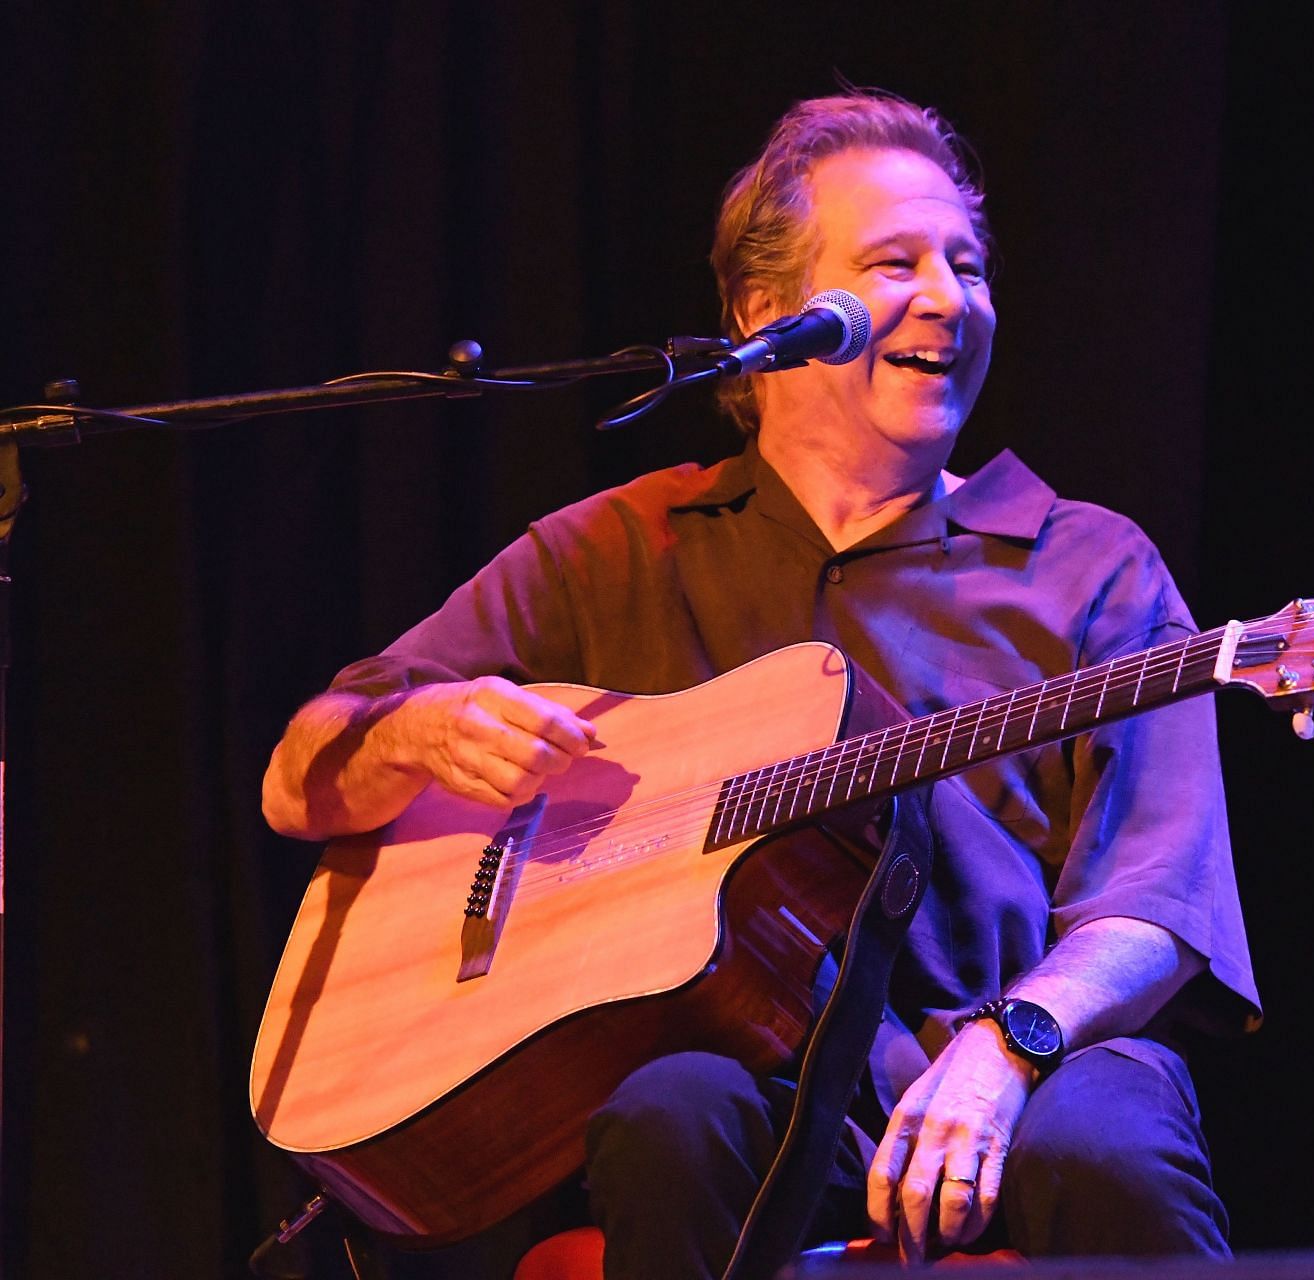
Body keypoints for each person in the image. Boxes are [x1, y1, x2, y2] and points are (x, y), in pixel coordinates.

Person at [262, 89, 1260, 1279]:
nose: (950, 298)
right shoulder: (622, 547)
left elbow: (1159, 895)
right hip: (766, 1081)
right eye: (897, 262)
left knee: (1113, 1151)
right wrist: (418, 731)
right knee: (667, 1120)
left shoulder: (1089, 563)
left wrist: (1009, 1046)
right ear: (768, 313)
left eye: (971, 267)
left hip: (1034, 1061)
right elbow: (301, 776)